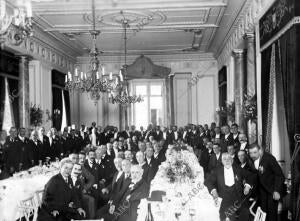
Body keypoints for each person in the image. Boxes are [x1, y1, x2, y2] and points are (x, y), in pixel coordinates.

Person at [205, 153, 253, 221]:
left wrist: (247, 186)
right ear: (222, 161)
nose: (227, 161)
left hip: (238, 198)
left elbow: (251, 176)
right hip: (224, 199)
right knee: (228, 217)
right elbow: (208, 182)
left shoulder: (238, 169)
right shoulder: (217, 171)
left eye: (229, 159)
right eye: (224, 159)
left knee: (245, 213)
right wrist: (214, 191)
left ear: (232, 160)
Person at [249, 143, 285, 221]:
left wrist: (276, 190)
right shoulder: (251, 160)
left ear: (260, 151)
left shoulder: (269, 158)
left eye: (254, 152)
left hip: (271, 192)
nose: (252, 155)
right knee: (263, 215)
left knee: (271, 216)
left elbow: (279, 175)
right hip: (261, 193)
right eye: (250, 153)